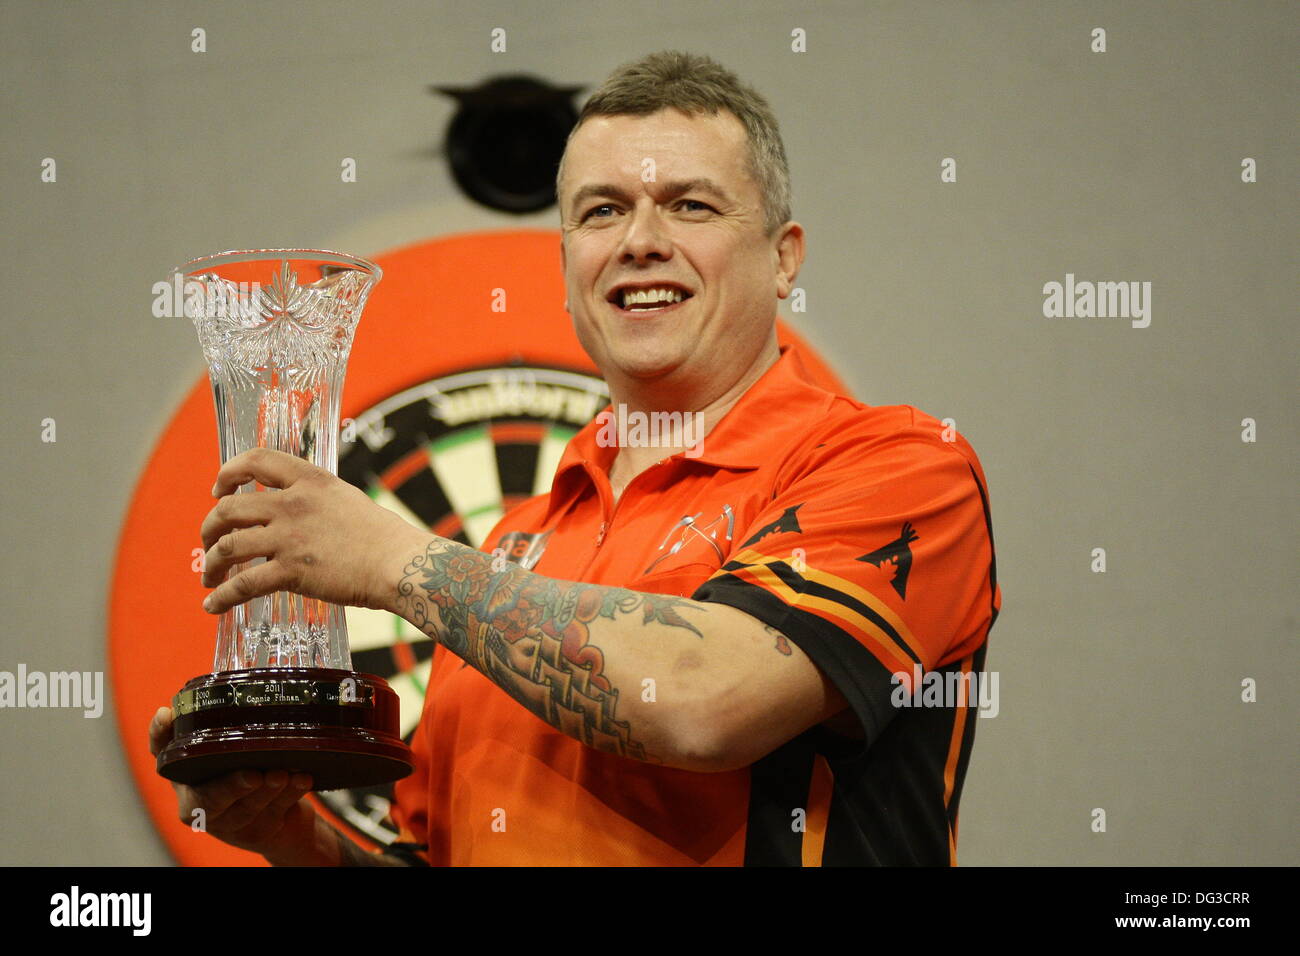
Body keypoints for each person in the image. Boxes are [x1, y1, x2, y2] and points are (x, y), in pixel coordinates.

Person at [149, 50, 1000, 866]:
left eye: (692, 206)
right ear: (565, 271)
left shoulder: (897, 466)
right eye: (601, 211)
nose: (640, 241)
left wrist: (393, 561)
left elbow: (708, 704)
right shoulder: (513, 546)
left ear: (784, 259)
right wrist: (293, 840)